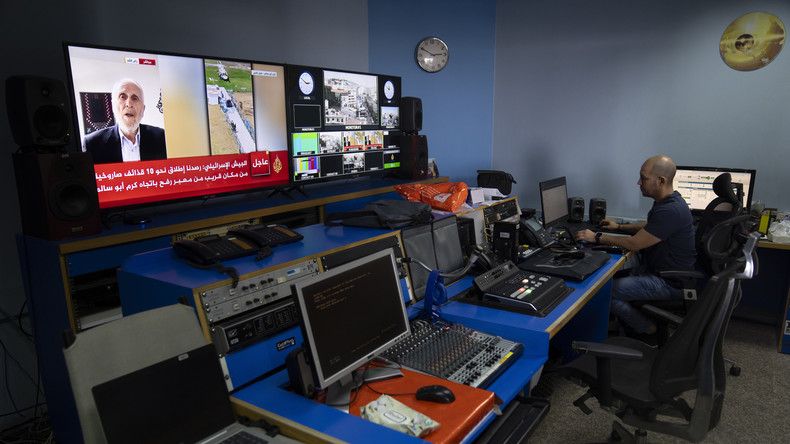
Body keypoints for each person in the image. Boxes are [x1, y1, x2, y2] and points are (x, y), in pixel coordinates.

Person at [575, 155, 696, 337]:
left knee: (603, 291)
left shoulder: (670, 210)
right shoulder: (671, 201)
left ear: (661, 181)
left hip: (669, 283)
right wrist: (619, 227)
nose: (639, 182)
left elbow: (635, 244)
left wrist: (597, 237)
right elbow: (651, 226)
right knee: (604, 280)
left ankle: (648, 329)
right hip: (659, 272)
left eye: (644, 178)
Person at [84, 78, 166, 164]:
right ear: (113, 106)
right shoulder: (92, 144)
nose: (129, 104)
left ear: (143, 109)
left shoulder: (162, 138)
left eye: (135, 98)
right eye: (122, 97)